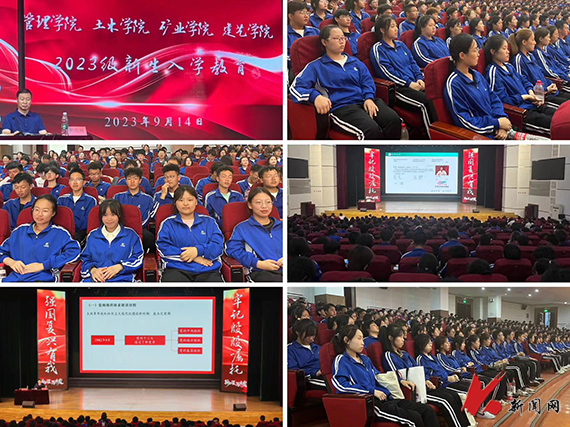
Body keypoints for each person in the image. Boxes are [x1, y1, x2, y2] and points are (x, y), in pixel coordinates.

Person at [291, 25, 401, 140]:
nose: (341, 42)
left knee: (393, 121)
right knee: (371, 130)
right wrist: (315, 97)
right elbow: (295, 88)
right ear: (324, 42)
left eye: (343, 38)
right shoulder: (316, 66)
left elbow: (367, 82)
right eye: (336, 38)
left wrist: (369, 98)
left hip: (364, 101)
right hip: (342, 107)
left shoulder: (355, 62)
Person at [333, 324, 439, 427]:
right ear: (346, 340)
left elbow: (379, 376)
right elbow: (341, 386)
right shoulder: (341, 360)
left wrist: (399, 380)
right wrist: (372, 391)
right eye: (359, 338)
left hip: (386, 398)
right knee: (414, 418)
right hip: (371, 404)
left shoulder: (365, 359)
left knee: (427, 410)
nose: (362, 342)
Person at [381, 324, 470, 427]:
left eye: (403, 336)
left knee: (453, 396)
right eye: (400, 337)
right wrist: (404, 380)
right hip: (414, 390)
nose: (403, 339)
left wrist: (426, 380)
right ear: (391, 338)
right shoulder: (388, 355)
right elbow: (395, 375)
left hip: (423, 385)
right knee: (445, 401)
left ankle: (465, 424)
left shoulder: (405, 354)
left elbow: (417, 369)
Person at [371, 15, 435, 136]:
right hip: (399, 88)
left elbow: (413, 63)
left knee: (435, 95)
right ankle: (430, 137)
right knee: (425, 102)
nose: (396, 29)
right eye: (392, 26)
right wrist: (408, 83)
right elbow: (387, 73)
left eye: (396, 26)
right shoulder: (378, 49)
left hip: (414, 82)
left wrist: (419, 78)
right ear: (382, 30)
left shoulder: (401, 45)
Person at [444, 34, 513, 139]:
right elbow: (464, 121)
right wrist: (496, 124)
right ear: (462, 55)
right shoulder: (454, 84)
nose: (478, 54)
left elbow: (494, 99)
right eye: (475, 50)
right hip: (483, 137)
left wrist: (501, 119)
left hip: (500, 130)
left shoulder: (477, 75)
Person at [486, 35, 556, 135]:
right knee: (557, 126)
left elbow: (524, 80)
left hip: (533, 104)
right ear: (493, 51)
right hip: (522, 112)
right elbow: (502, 101)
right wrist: (526, 97)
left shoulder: (509, 66)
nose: (508, 52)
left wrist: (531, 93)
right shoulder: (493, 72)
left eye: (507, 48)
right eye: (504, 49)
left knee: (560, 115)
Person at [0, 195, 81, 281]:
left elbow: (74, 252)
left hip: (44, 280)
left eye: (45, 211)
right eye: (36, 210)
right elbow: (2, 251)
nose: (39, 214)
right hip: (14, 279)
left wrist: (44, 265)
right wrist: (11, 262)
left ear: (53, 213)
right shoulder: (19, 231)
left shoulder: (60, 233)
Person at [156, 186, 223, 282]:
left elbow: (218, 246)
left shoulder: (209, 222)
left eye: (190, 200)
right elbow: (163, 248)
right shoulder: (168, 223)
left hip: (207, 269)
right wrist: (193, 257)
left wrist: (197, 250)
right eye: (181, 200)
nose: (185, 203)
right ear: (175, 203)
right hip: (177, 269)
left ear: (196, 201)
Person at [225, 187, 283, 282]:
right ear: (250, 205)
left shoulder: (282, 226)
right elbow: (232, 249)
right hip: (261, 272)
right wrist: (257, 263)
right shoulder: (242, 228)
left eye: (268, 202)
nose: (264, 206)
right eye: (258, 202)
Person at [80, 199, 144, 282]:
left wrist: (120, 267)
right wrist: (93, 270)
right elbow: (85, 259)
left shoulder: (131, 235)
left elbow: (138, 258)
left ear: (119, 215)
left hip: (123, 279)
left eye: (113, 214)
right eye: (105, 215)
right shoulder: (93, 235)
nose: (109, 219)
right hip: (96, 280)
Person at [511, 29, 570, 107]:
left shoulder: (531, 56)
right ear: (524, 42)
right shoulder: (518, 60)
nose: (535, 43)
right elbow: (524, 83)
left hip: (548, 92)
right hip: (539, 98)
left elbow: (541, 74)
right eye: (532, 40)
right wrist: (546, 90)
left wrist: (551, 84)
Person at [113, 167, 155, 252]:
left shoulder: (148, 199)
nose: (132, 181)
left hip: (140, 228)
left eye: (135, 178)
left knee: (150, 238)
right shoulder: (117, 197)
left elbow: (146, 218)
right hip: (120, 228)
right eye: (129, 179)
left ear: (140, 180)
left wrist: (134, 228)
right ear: (125, 180)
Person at [57, 168, 97, 242]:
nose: (75, 182)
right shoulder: (62, 199)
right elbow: (59, 219)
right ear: (69, 182)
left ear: (84, 182)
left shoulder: (90, 200)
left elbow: (87, 222)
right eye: (72, 180)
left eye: (78, 179)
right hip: (62, 232)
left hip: (80, 234)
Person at [287, 319, 326, 389]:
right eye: (308, 335)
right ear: (297, 332)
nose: (311, 338)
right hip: (308, 379)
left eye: (313, 335)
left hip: (324, 375)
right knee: (333, 386)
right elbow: (294, 371)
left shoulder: (318, 348)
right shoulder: (290, 349)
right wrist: (315, 372)